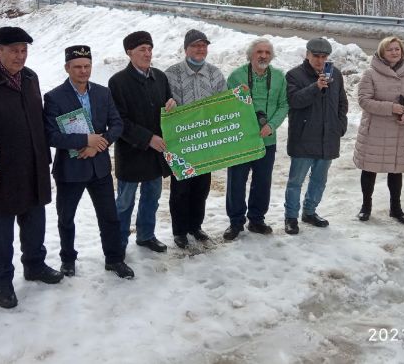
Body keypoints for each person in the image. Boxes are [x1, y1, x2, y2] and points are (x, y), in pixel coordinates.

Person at [0, 26, 63, 310]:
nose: (20, 56)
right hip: (1, 171)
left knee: (35, 220)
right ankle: (2, 279)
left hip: (34, 164)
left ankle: (34, 264)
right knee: (2, 228)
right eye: (14, 51)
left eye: (24, 50)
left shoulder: (30, 78)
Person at [43, 45, 134, 279]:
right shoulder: (54, 97)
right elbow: (52, 134)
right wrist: (84, 140)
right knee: (66, 218)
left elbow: (116, 125)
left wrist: (98, 144)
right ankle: (67, 259)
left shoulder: (103, 93)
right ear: (67, 68)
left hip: (99, 166)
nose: (83, 71)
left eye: (87, 66)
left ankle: (114, 259)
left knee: (109, 216)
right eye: (77, 67)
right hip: (70, 170)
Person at [108, 31, 176, 253]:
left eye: (149, 49)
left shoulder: (160, 76)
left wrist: (172, 104)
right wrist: (147, 138)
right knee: (125, 202)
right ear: (129, 53)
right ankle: (118, 244)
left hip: (156, 155)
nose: (147, 53)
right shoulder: (118, 81)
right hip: (132, 153)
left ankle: (146, 235)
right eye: (142, 50)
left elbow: (167, 106)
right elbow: (119, 121)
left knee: (151, 198)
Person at [164, 29, 227, 248]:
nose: (200, 49)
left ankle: (195, 226)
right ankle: (179, 230)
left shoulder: (215, 74)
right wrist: (167, 105)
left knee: (202, 187)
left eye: (203, 46)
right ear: (186, 48)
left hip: (206, 140)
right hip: (181, 142)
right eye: (195, 45)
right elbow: (162, 103)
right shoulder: (171, 74)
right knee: (181, 188)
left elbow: (225, 104)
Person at [223, 38, 288, 240]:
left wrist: (271, 125)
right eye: (259, 52)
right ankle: (235, 222)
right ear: (251, 54)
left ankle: (257, 219)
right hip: (241, 140)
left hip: (267, 139)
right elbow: (228, 106)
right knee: (236, 181)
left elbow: (284, 105)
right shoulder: (236, 76)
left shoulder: (279, 77)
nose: (263, 56)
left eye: (267, 52)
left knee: (262, 182)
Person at [283, 38, 348, 235]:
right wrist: (316, 86)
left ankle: (309, 212)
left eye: (324, 57)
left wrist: (339, 126)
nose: (320, 60)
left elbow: (342, 103)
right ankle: (291, 217)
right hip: (304, 138)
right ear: (307, 54)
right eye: (316, 56)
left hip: (328, 137)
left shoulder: (335, 74)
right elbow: (294, 101)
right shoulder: (294, 75)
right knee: (296, 181)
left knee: (319, 180)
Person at [353, 36, 404, 224]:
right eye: (390, 49)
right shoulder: (370, 73)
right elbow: (364, 100)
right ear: (382, 52)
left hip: (397, 129)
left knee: (396, 170)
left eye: (397, 49)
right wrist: (390, 108)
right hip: (374, 129)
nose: (394, 52)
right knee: (369, 169)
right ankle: (366, 207)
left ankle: (396, 209)